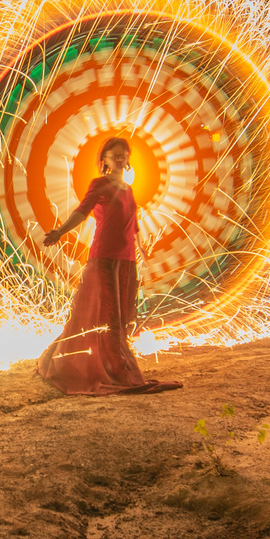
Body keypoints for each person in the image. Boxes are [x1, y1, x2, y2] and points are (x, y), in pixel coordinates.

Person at [37, 136, 182, 396]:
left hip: (126, 262)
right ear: (103, 160)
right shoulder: (99, 184)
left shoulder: (128, 189)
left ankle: (110, 364)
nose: (120, 158)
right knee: (106, 319)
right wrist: (59, 231)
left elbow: (132, 222)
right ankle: (110, 369)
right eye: (114, 155)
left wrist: (140, 246)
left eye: (123, 154)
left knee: (120, 317)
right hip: (104, 260)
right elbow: (82, 212)